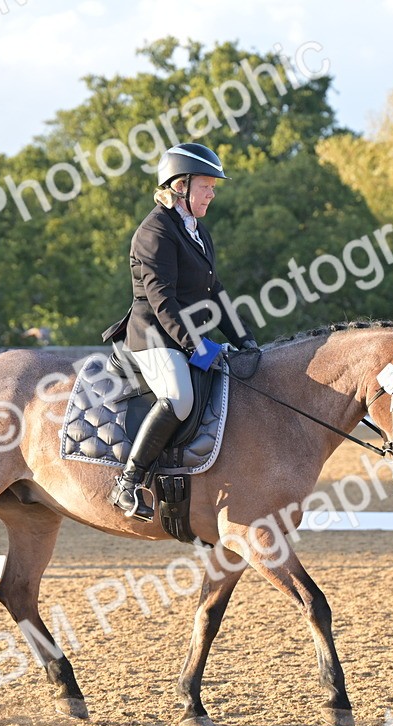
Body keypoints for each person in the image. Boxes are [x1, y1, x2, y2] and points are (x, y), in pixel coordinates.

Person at [101, 142, 258, 521]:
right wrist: (197, 346)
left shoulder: (196, 230)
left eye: (213, 186)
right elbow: (162, 302)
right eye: (206, 185)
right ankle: (129, 482)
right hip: (153, 335)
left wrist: (245, 339)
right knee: (180, 398)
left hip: (183, 334)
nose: (212, 193)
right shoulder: (154, 232)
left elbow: (215, 293)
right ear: (179, 186)